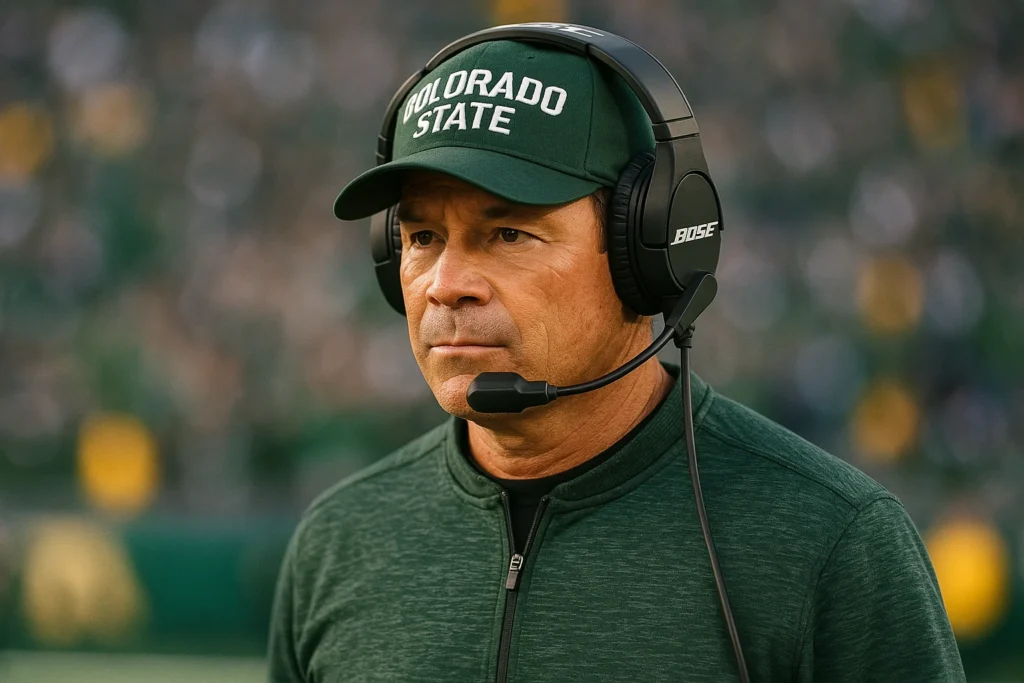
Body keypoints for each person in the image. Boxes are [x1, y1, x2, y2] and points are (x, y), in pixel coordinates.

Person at [267, 30, 966, 683]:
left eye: (509, 234)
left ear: (647, 248)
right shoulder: (339, 542)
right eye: (422, 238)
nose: (446, 284)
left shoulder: (832, 543)